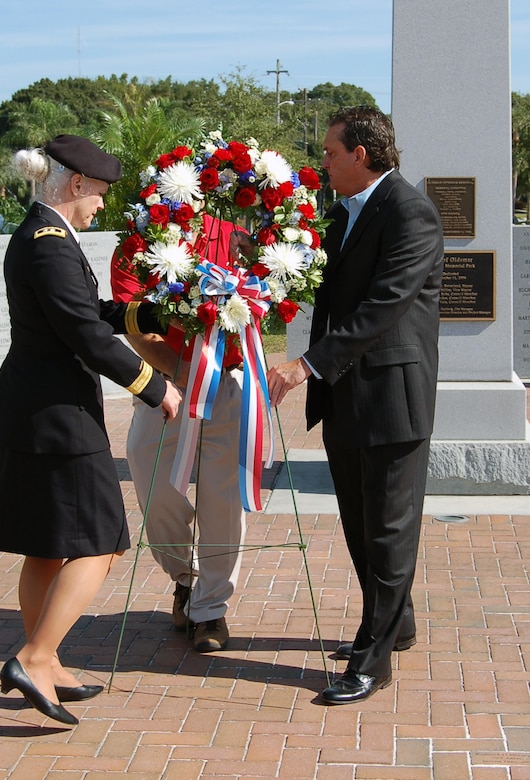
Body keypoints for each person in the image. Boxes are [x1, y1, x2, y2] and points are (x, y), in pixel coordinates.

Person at [0, 134, 182, 726]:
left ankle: (49, 663)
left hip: (35, 413)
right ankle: (35, 656)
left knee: (47, 547)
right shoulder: (47, 245)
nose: (100, 205)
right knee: (102, 541)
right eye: (98, 193)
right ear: (75, 185)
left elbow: (83, 310)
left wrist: (140, 313)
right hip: (59, 420)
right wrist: (153, 383)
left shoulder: (43, 234)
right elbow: (82, 336)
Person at [267, 106, 444, 705]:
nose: (323, 162)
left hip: (392, 400)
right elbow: (329, 290)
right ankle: (398, 624)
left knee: (389, 531)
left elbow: (382, 306)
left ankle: (374, 659)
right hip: (345, 399)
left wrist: (302, 365)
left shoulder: (410, 213)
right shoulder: (342, 215)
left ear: (360, 155)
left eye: (330, 152)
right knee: (359, 526)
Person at [111, 213, 248, 652]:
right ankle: (185, 577)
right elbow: (135, 326)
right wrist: (182, 370)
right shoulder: (137, 243)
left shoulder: (234, 234)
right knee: (148, 471)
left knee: (221, 495)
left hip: (229, 379)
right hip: (165, 385)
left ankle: (210, 610)